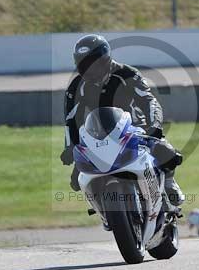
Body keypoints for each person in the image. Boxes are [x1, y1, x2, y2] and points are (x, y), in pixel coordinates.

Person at [59, 34, 185, 208]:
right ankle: (101, 208)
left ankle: (169, 182)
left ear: (105, 59)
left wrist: (154, 126)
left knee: (165, 151)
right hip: (99, 136)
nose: (88, 69)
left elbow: (149, 101)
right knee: (77, 179)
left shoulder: (127, 74)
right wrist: (70, 147)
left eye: (92, 63)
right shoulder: (76, 87)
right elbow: (71, 120)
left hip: (135, 129)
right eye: (83, 64)